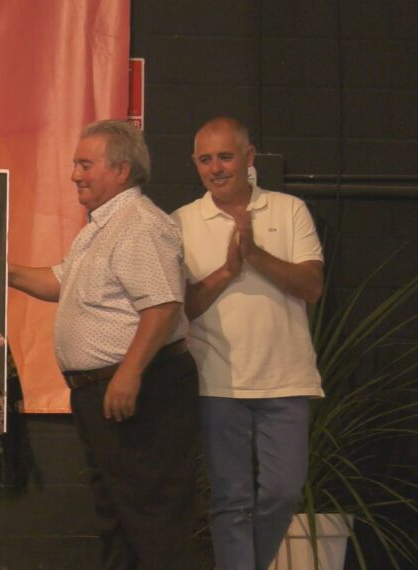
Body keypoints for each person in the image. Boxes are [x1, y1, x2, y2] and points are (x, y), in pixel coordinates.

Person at [8, 120, 199, 569]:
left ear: (122, 170)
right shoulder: (102, 226)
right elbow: (60, 281)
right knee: (118, 515)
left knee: (153, 517)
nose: (75, 174)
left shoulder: (139, 224)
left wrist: (129, 374)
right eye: (76, 164)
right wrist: (2, 270)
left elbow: (163, 306)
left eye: (85, 164)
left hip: (140, 392)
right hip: (105, 393)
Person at [173, 117, 324, 570]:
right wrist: (227, 270)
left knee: (282, 493)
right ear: (195, 165)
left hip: (288, 382)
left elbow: (312, 286)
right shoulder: (181, 221)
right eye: (205, 159)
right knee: (231, 500)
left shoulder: (288, 209)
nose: (216, 168)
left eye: (225, 156)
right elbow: (184, 306)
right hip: (218, 384)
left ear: (249, 158)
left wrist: (254, 254)